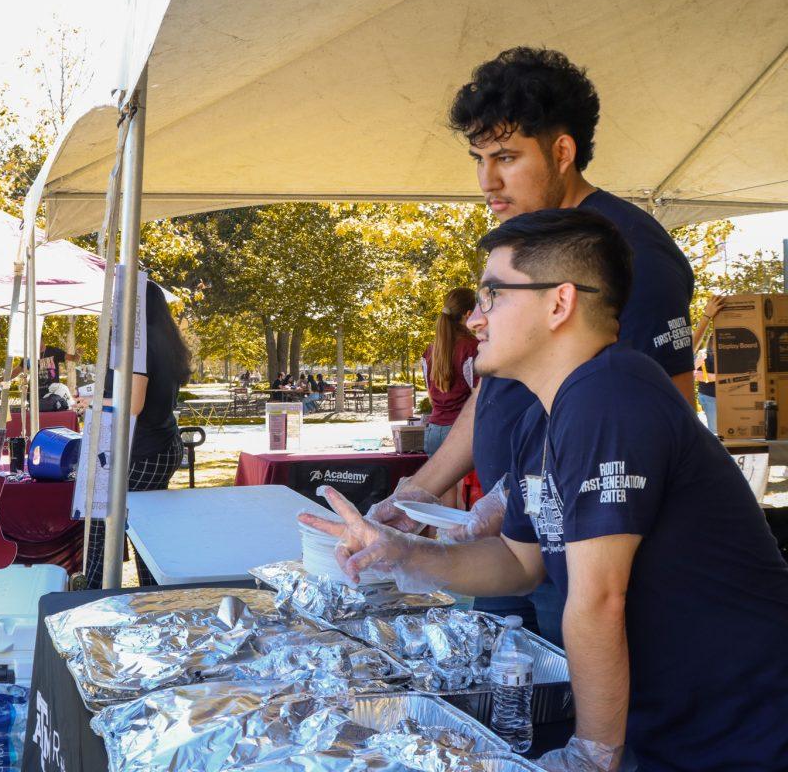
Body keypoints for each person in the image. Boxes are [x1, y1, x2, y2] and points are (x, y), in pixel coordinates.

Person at [302, 210, 788, 771]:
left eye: (492, 298)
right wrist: (406, 555)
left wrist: (591, 755)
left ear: (559, 303)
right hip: (675, 720)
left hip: (744, 724)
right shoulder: (547, 410)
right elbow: (518, 562)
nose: (476, 322)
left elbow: (598, 601)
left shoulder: (611, 395)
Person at [368, 46, 695, 643]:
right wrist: (419, 490)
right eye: (478, 158)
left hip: (588, 556)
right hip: (518, 544)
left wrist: (524, 498)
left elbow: (669, 413)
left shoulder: (627, 255)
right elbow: (494, 392)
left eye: (506, 157)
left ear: (562, 152)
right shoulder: (529, 245)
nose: (486, 180)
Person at [82, 280, 192, 589]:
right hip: (162, 443)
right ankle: (152, 595)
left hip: (143, 451)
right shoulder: (165, 341)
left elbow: (132, 404)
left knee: (106, 530)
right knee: (146, 530)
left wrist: (91, 401)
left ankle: (94, 598)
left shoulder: (138, 346)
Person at [420, 287, 479, 504]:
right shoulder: (472, 347)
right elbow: (478, 397)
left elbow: (430, 392)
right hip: (461, 433)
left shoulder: (430, 350)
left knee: (444, 501)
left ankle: (441, 538)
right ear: (467, 314)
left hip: (434, 430)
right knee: (465, 498)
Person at [692, 295, 724, 433]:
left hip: (725, 395)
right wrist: (718, 377)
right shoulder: (704, 354)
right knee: (715, 432)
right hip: (710, 396)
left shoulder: (726, 354)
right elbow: (695, 374)